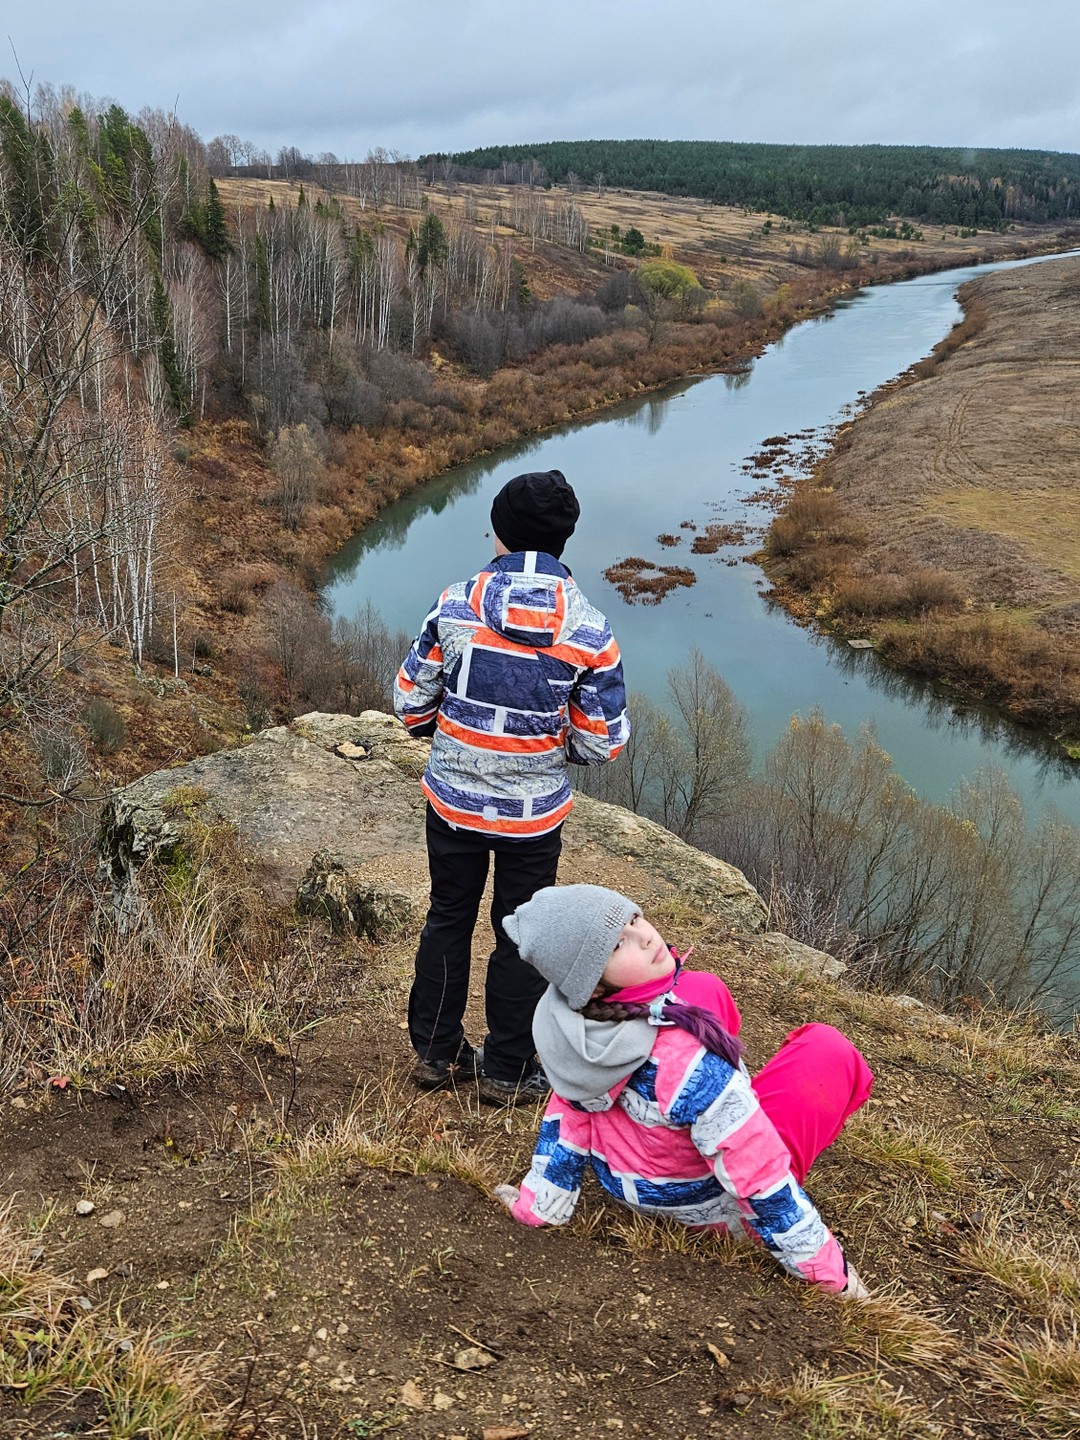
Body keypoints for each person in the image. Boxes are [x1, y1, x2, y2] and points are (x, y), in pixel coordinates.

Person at [495, 884, 873, 1295]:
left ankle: (704, 1114)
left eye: (634, 919)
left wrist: (538, 1207)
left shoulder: (563, 1027)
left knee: (703, 986)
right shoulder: (685, 1060)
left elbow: (566, 1119)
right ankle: (723, 1111)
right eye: (619, 944)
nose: (646, 936)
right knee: (827, 1048)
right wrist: (830, 1276)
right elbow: (760, 1175)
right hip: (710, 1209)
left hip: (634, 1185)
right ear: (595, 984)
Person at [394, 472, 630, 1105]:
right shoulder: (589, 628)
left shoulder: (456, 603)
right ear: (563, 538)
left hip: (452, 802)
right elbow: (600, 742)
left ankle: (437, 1055)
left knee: (449, 916)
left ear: (497, 532)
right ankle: (506, 1067)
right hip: (533, 817)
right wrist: (551, 745)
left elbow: (410, 702)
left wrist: (441, 728)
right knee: (519, 931)